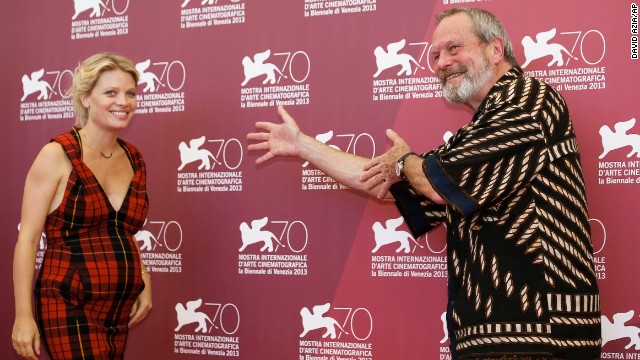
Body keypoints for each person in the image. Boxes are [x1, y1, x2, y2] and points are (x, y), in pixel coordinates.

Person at [247, 7, 601, 360]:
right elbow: (382, 181)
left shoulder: (526, 101)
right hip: (502, 338)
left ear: (496, 49)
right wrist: (302, 145)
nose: (441, 62)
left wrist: (403, 162)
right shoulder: (478, 131)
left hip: (541, 338)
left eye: (453, 48)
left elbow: (427, 179)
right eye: (434, 55)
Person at [12, 53, 152, 360]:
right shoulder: (57, 154)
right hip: (67, 301)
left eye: (130, 93)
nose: (124, 102)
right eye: (111, 93)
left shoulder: (134, 157)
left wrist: (145, 280)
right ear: (86, 98)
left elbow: (123, 230)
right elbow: (28, 240)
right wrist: (23, 316)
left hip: (117, 310)